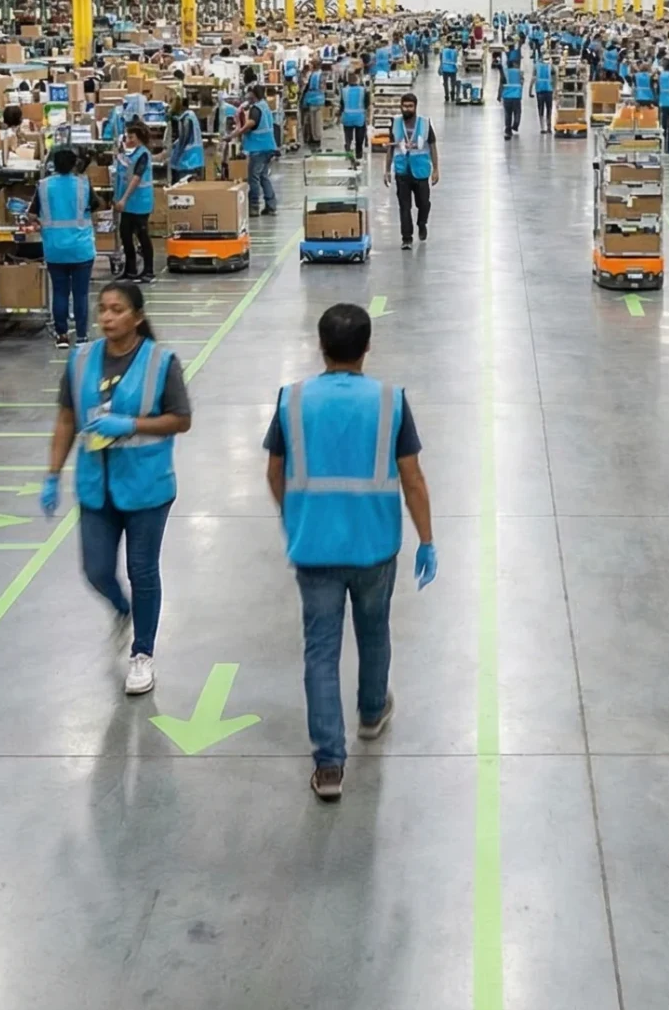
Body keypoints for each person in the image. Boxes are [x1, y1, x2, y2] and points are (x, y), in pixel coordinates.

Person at [264, 303, 436, 802]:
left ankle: (329, 764)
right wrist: (427, 539)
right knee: (374, 628)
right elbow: (414, 479)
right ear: (367, 347)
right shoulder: (390, 401)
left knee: (320, 648)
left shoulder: (291, 400)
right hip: (374, 545)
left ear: (320, 346)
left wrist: (293, 516)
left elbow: (275, 474)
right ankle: (370, 712)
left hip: (313, 546)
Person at [40, 281, 191, 696]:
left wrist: (131, 425)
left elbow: (181, 419)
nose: (107, 317)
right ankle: (121, 610)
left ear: (137, 317)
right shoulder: (81, 359)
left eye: (117, 310)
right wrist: (53, 473)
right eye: (102, 310)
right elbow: (67, 419)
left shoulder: (162, 363)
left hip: (147, 486)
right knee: (97, 570)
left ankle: (142, 654)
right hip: (96, 485)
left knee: (143, 571)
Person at [38, 148, 96, 345]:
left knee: (60, 292)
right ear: (74, 164)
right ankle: (81, 335)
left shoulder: (44, 186)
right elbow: (97, 205)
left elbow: (31, 213)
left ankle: (62, 335)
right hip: (81, 249)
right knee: (80, 294)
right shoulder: (83, 184)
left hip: (54, 249)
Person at [389, 92, 437, 249]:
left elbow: (432, 146)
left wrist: (436, 169)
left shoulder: (425, 123)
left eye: (410, 106)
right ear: (401, 106)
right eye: (404, 106)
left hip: (421, 170)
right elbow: (391, 148)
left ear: (415, 107)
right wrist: (386, 170)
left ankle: (422, 223)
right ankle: (406, 238)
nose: (407, 109)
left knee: (424, 203)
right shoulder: (395, 123)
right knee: (404, 206)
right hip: (402, 170)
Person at [114, 121, 156, 284]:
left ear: (139, 138)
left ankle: (148, 271)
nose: (128, 139)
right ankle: (130, 270)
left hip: (140, 203)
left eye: (131, 136)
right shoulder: (130, 155)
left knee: (142, 236)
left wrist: (123, 199)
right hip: (128, 203)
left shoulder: (143, 154)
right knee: (125, 235)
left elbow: (137, 178)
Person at [240, 82, 280, 217]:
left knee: (254, 178)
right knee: (263, 177)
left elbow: (251, 123)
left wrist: (237, 133)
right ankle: (271, 205)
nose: (247, 96)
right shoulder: (265, 106)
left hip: (258, 148)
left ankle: (254, 207)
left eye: (249, 93)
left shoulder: (256, 108)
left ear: (253, 94)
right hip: (269, 147)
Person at [169, 100, 206, 184]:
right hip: (196, 160)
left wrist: (177, 155)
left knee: (183, 190)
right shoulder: (192, 116)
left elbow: (184, 138)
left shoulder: (186, 118)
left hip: (187, 162)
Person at [340, 72, 369, 161]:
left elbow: (342, 104)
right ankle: (358, 154)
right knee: (359, 139)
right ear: (357, 80)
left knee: (348, 138)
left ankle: (348, 151)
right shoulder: (363, 90)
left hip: (347, 117)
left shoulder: (344, 90)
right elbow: (367, 103)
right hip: (359, 117)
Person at [302, 62, 326, 147]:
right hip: (319, 99)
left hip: (311, 99)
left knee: (312, 120)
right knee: (318, 120)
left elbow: (308, 88)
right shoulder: (321, 75)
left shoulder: (312, 75)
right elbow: (323, 87)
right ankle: (317, 137)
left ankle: (313, 138)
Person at [532, 49, 555, 133]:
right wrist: (555, 89)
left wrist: (530, 91)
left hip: (540, 90)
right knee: (548, 109)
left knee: (541, 109)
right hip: (548, 90)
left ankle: (543, 127)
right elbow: (555, 78)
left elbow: (533, 78)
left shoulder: (536, 66)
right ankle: (548, 126)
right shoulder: (550, 66)